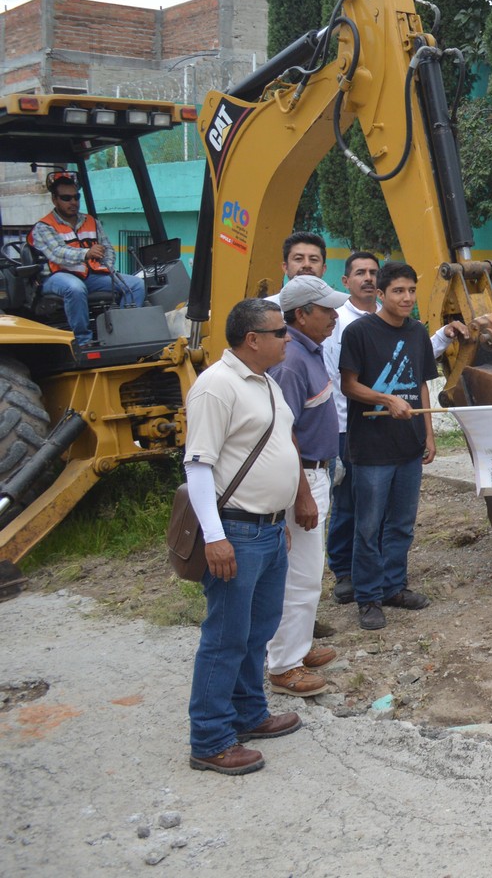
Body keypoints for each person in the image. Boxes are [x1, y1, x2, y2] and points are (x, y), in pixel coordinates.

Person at [184, 298, 315, 775]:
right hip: (236, 530)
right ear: (252, 339)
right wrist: (215, 536)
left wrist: (281, 515)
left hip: (267, 529)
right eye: (280, 332)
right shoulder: (216, 386)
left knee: (257, 631)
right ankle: (210, 739)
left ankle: (248, 713)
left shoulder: (265, 381)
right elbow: (198, 466)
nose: (288, 337)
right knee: (226, 637)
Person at [340, 262, 438, 631]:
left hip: (409, 446)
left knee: (402, 525)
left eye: (411, 290)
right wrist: (385, 399)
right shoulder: (359, 332)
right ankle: (368, 598)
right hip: (371, 450)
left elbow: (423, 384)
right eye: (398, 291)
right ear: (380, 294)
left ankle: (394, 587)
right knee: (368, 527)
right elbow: (349, 385)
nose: (407, 298)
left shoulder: (418, 332)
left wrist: (428, 435)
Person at [264, 275, 346, 696]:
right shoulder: (291, 362)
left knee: (308, 571)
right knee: (300, 574)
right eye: (326, 309)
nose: (334, 316)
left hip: (317, 472)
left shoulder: (307, 351)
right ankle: (284, 666)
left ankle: (296, 646)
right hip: (304, 477)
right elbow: (284, 434)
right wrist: (301, 495)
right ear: (301, 314)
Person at [30, 172, 146, 346]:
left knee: (136, 285)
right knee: (75, 288)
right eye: (66, 198)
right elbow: (57, 254)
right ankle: (83, 341)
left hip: (90, 275)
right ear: (55, 199)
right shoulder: (44, 226)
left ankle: (122, 335)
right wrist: (86, 253)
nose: (73, 202)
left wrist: (107, 266)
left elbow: (107, 249)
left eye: (76, 197)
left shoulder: (91, 221)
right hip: (57, 276)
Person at [326, 250, 379, 605]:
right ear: (346, 281)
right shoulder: (337, 321)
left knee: (376, 502)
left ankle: (373, 566)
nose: (368, 278)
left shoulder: (388, 318)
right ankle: (343, 571)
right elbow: (333, 376)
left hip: (382, 423)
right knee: (346, 502)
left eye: (373, 272)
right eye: (360, 272)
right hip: (346, 425)